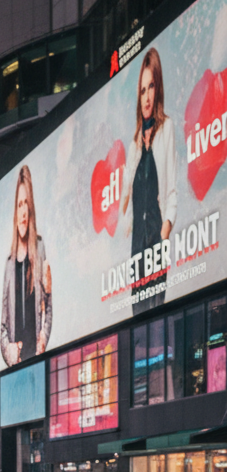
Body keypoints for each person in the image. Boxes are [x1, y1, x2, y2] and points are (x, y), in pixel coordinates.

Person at [121, 47, 176, 316]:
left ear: (158, 88)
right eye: (142, 90)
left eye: (151, 87)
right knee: (137, 318)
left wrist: (165, 231)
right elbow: (126, 199)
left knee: (157, 315)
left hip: (157, 241)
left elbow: (172, 191)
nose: (146, 97)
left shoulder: (167, 130)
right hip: (137, 251)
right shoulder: (134, 146)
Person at [0, 165, 52, 366]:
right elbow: (3, 325)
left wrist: (43, 340)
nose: (23, 211)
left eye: (26, 204)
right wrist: (9, 352)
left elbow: (48, 305)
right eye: (19, 204)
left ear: (31, 209)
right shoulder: (9, 265)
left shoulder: (40, 249)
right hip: (16, 367)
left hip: (38, 360)